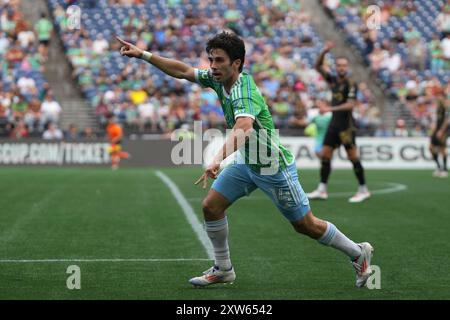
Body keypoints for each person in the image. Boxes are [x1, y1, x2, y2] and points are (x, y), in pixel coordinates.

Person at [117, 31, 374, 288]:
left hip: (272, 166)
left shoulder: (244, 92)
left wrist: (217, 158)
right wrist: (143, 55)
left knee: (305, 225)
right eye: (211, 60)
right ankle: (223, 269)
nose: (213, 66)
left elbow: (243, 128)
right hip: (247, 161)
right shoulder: (219, 79)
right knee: (211, 207)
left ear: (236, 63)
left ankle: (357, 252)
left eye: (219, 60)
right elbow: (183, 70)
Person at [307, 42, 370, 203]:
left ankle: (363, 189)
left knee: (353, 157)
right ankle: (322, 189)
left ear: (347, 67)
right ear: (336, 67)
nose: (341, 67)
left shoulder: (351, 83)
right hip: (334, 125)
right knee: (325, 155)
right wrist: (324, 51)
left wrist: (329, 110)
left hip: (346, 127)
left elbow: (350, 105)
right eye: (339, 65)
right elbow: (317, 66)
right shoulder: (333, 81)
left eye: (344, 65)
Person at [429, 91, 448, 178]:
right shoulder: (438, 107)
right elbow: (437, 119)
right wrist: (434, 128)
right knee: (431, 148)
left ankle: (444, 169)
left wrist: (441, 130)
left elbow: (447, 120)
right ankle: (439, 167)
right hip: (437, 129)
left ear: (443, 97)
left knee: (442, 149)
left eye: (439, 96)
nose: (438, 98)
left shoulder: (446, 106)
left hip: (444, 130)